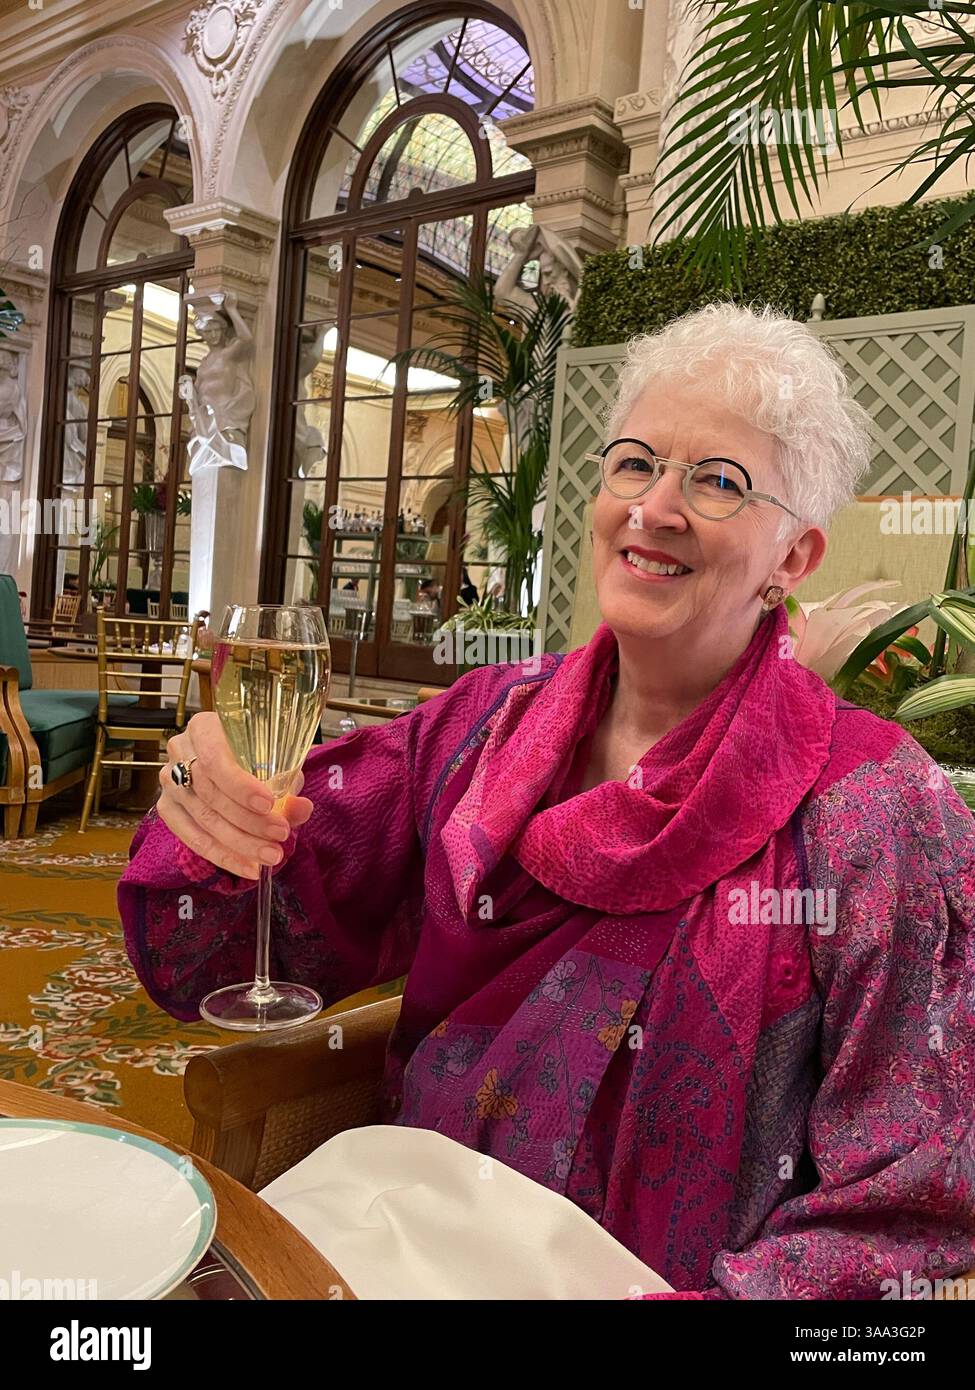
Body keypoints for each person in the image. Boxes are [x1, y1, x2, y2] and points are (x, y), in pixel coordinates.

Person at [119, 302, 975, 1299]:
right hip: (392, 1232)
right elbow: (223, 949)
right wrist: (207, 806)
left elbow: (915, 1199)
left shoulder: (877, 810)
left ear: (795, 558)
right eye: (634, 463)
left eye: (719, 481)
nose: (655, 507)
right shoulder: (483, 724)